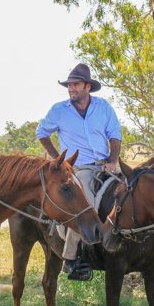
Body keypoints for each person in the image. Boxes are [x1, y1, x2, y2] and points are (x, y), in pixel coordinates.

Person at [36, 63, 122, 281]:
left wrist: (112, 161)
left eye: (75, 85)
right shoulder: (59, 110)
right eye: (69, 85)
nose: (71, 88)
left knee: (130, 192)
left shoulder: (103, 107)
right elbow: (42, 132)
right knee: (85, 205)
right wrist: (58, 159)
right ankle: (71, 259)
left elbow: (115, 135)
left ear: (87, 87)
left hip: (105, 164)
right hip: (79, 167)